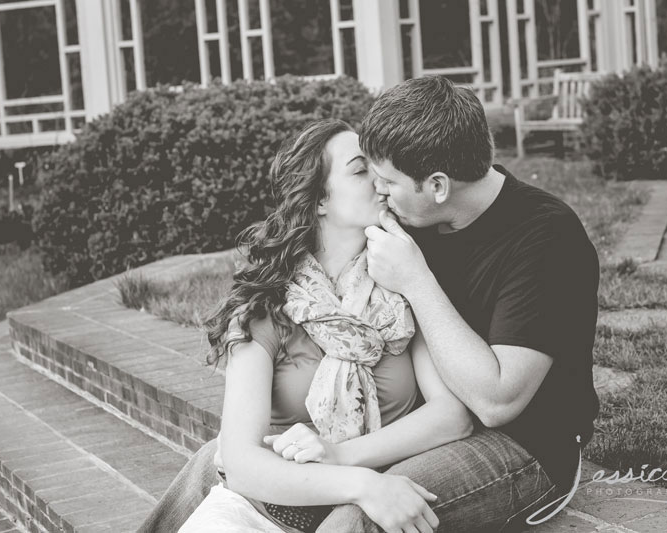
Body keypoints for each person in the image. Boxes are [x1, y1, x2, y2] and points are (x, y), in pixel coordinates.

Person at [138, 76, 600, 532]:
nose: (380, 190)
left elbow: (495, 405)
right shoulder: (409, 219)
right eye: (367, 173)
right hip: (409, 434)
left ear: (438, 186)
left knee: (357, 517)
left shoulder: (545, 236)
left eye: (387, 179)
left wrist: (417, 280)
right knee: (214, 462)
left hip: (521, 443)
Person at [168, 118, 475, 533]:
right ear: (319, 201)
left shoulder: (399, 285)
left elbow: (453, 416)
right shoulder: (266, 306)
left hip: (365, 513)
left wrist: (342, 456)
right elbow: (240, 463)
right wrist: (363, 484)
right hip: (262, 510)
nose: (380, 179)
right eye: (360, 169)